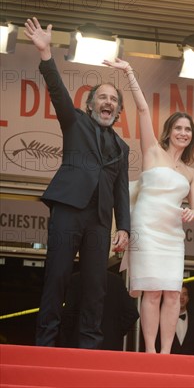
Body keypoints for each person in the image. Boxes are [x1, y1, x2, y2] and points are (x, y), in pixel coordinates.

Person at [24, 18, 130, 349]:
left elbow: (121, 191)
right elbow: (56, 89)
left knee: (96, 287)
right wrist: (45, 53)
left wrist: (123, 226)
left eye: (113, 100)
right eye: (102, 98)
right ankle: (46, 343)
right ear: (91, 104)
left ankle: (88, 348)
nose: (108, 103)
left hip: (99, 220)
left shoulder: (122, 148)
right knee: (57, 278)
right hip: (69, 209)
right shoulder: (75, 123)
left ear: (117, 112)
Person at [107, 58, 194, 354]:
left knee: (173, 293)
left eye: (188, 129)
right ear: (169, 131)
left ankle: (165, 354)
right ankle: (149, 352)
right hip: (147, 229)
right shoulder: (152, 152)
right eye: (178, 128)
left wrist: (192, 212)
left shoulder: (190, 172)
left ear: (192, 136)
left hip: (173, 234)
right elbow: (143, 109)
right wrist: (129, 73)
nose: (183, 133)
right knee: (152, 292)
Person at [59, 271, 139, 351]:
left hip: (79, 344)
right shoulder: (116, 280)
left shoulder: (76, 279)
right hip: (110, 346)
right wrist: (115, 332)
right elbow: (132, 313)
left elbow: (67, 315)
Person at [170, 285, 194, 355]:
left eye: (184, 294)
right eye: (179, 294)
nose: (181, 297)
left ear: (188, 298)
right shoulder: (164, 322)